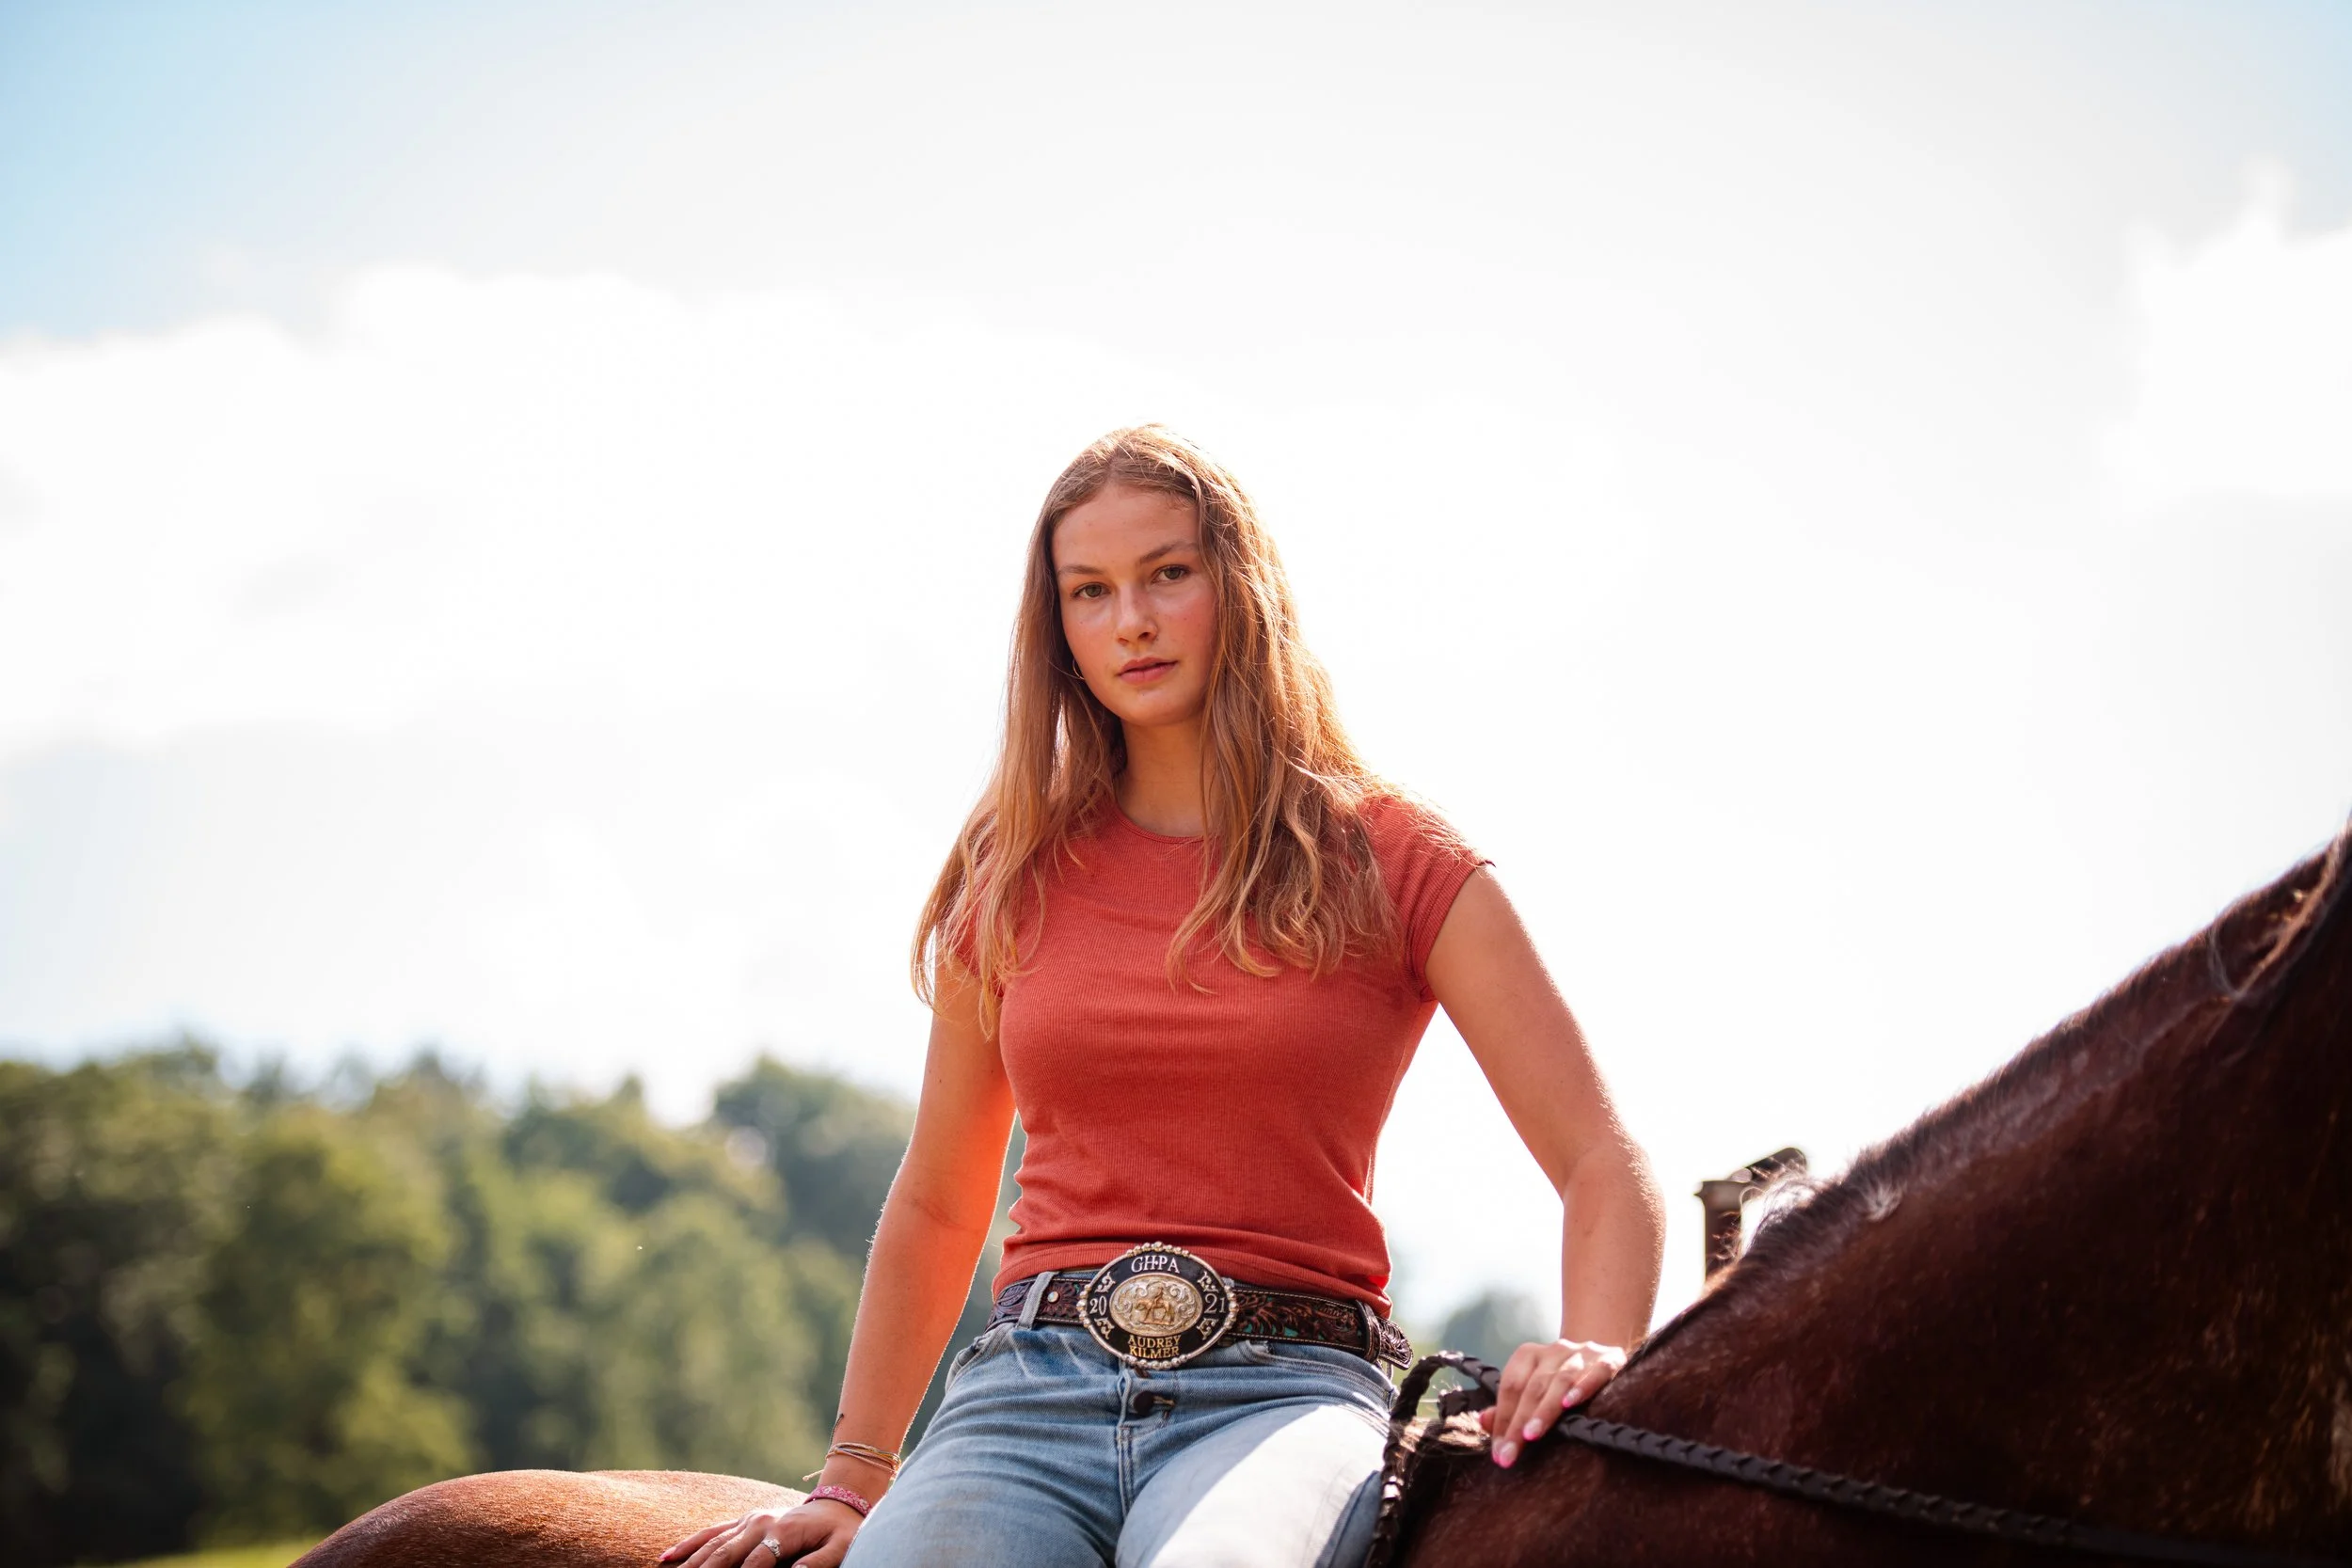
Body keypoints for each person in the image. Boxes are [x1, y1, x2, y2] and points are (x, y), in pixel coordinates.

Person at [660, 426, 1664, 1568]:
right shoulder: (1012, 867)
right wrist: (853, 1475)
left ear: (1240, 586)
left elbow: (1601, 1158)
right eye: (1089, 591)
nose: (1130, 619)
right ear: (1059, 630)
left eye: (1167, 573)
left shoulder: (1398, 857)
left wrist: (1595, 1344)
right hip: (1024, 1393)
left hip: (1288, 1394)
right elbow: (940, 1198)